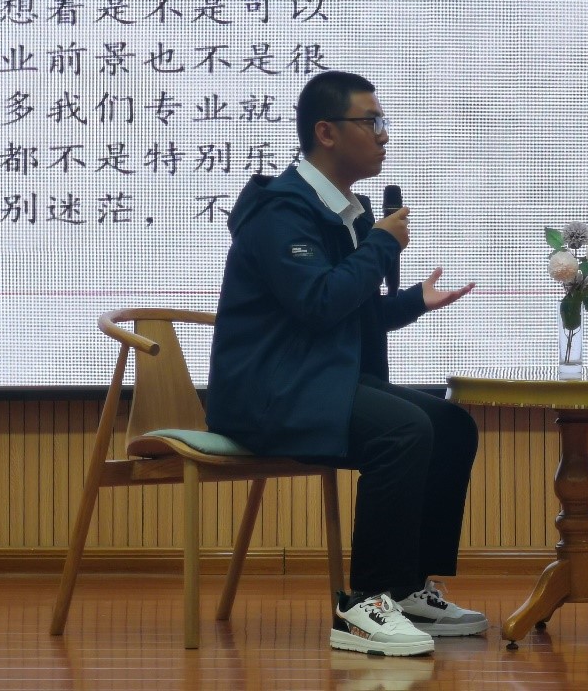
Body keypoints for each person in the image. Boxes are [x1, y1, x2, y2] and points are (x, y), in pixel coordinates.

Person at [207, 70, 487, 658]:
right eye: (372, 122)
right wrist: (381, 244)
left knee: (450, 424)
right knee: (402, 430)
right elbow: (318, 303)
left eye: (384, 122)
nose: (384, 135)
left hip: (314, 379)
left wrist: (411, 302)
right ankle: (363, 604)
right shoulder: (281, 210)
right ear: (326, 133)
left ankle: (406, 587)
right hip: (268, 391)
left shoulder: (344, 213)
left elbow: (346, 314)